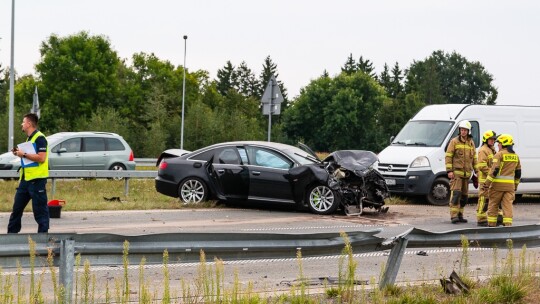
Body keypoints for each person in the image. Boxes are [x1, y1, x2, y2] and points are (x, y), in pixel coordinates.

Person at [7, 113, 50, 233]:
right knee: (16, 210)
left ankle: (43, 238)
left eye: (23, 122)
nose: (22, 124)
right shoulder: (29, 139)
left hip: (37, 181)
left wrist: (24, 154)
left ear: (29, 124)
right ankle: (11, 237)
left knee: (40, 212)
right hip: (25, 181)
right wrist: (18, 153)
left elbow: (41, 158)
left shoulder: (40, 138)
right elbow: (28, 158)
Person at [483, 134, 521, 227]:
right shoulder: (515, 156)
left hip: (497, 187)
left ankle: (491, 225)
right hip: (510, 187)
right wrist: (515, 186)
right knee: (508, 207)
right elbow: (518, 173)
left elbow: (494, 171)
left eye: (499, 143)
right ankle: (508, 226)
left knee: (493, 205)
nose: (498, 145)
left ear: (504, 144)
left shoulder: (499, 155)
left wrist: (486, 184)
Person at [445, 120, 478, 224]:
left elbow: (474, 159)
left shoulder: (471, 143)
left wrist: (477, 171)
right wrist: (449, 171)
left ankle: (460, 215)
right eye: (462, 130)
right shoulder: (454, 141)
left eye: (465, 130)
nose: (463, 132)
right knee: (456, 195)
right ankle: (453, 216)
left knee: (464, 197)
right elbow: (448, 156)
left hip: (467, 175)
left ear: (468, 131)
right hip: (457, 174)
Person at [475, 130, 497, 226]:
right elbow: (482, 166)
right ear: (485, 140)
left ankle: (488, 217)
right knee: (483, 199)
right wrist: (491, 174)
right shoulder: (483, 150)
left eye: (493, 140)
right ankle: (481, 218)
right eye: (490, 139)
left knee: (490, 199)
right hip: (485, 180)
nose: (492, 141)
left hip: (490, 180)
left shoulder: (491, 149)